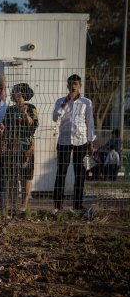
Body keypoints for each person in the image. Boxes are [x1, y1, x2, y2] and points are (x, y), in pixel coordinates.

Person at [52, 74, 95, 213]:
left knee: (80, 174)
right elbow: (55, 118)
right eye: (70, 84)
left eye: (75, 84)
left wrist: (90, 142)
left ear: (80, 86)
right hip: (64, 141)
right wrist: (65, 103)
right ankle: (57, 206)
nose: (73, 86)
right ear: (67, 86)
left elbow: (90, 122)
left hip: (81, 141)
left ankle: (77, 205)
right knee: (61, 173)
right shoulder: (60, 101)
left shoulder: (86, 102)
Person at [3, 82, 38, 212]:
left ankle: (23, 206)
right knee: (12, 178)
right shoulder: (10, 110)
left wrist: (25, 114)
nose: (12, 94)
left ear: (21, 94)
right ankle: (12, 205)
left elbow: (34, 124)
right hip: (12, 148)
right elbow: (5, 127)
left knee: (26, 177)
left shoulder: (31, 108)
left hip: (26, 148)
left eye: (14, 91)